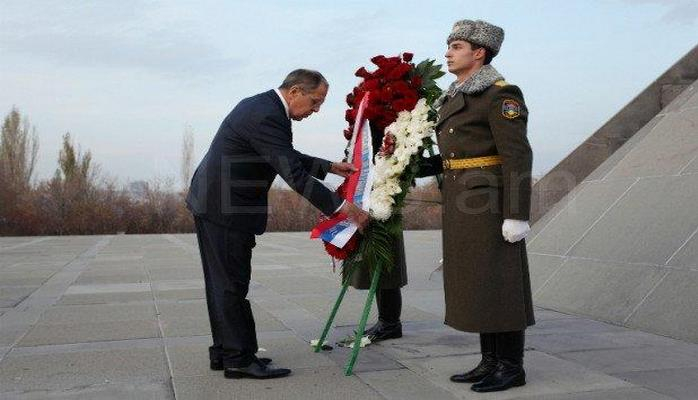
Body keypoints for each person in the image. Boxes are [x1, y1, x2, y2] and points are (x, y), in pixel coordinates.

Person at [186, 69, 370, 380]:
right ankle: (239, 359)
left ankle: (227, 352)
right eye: (315, 101)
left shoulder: (264, 107)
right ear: (296, 91)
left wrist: (328, 166)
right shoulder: (267, 115)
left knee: (222, 284)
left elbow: (282, 154)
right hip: (225, 209)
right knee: (231, 285)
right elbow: (293, 174)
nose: (316, 110)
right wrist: (344, 209)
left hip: (215, 203)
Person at [418, 20, 535, 393]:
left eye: (456, 46)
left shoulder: (501, 95)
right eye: (449, 46)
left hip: (488, 203)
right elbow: (459, 153)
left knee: (499, 280)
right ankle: (489, 361)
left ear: (479, 52)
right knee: (478, 281)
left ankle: (511, 365)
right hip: (462, 201)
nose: (448, 53)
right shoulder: (456, 96)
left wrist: (516, 213)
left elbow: (517, 156)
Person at [344, 121, 408, 343]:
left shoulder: (388, 121)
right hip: (369, 192)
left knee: (386, 261)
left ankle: (390, 323)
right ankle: (386, 321)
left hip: (385, 192)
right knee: (375, 261)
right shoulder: (364, 120)